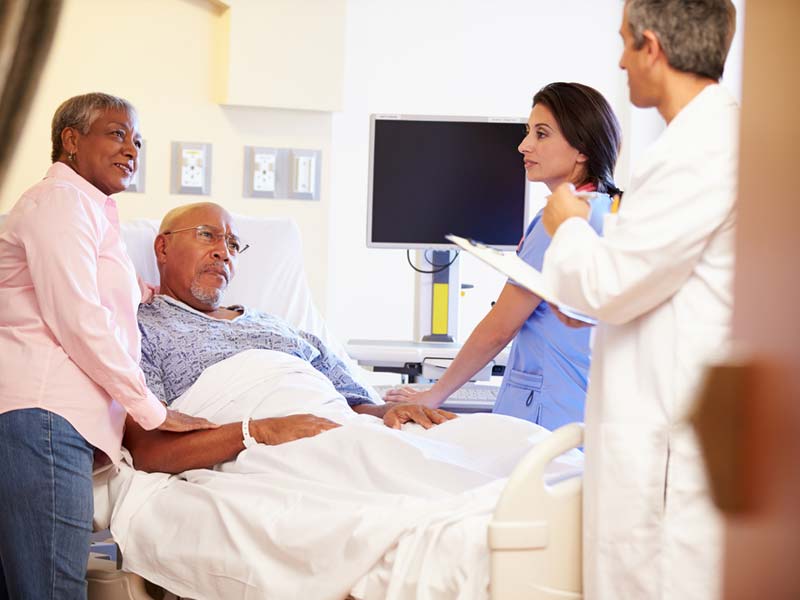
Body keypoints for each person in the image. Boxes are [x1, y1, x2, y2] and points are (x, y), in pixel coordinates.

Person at [540, 1, 738, 598]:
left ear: (651, 46)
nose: (621, 61)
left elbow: (609, 284)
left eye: (626, 43)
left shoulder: (699, 152)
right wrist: (586, 296)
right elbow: (633, 286)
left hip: (666, 439)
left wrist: (567, 225)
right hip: (656, 415)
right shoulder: (696, 145)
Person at [0, 93, 215, 599]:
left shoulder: (91, 212)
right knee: (52, 590)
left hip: (52, 421)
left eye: (137, 140)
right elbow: (76, 315)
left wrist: (164, 293)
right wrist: (150, 409)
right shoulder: (59, 202)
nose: (132, 149)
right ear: (71, 141)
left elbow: (108, 289)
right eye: (117, 134)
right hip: (45, 415)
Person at [125, 202, 457, 473]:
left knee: (465, 454)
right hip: (263, 451)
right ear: (163, 247)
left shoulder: (281, 327)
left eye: (233, 244)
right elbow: (149, 452)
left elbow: (353, 406)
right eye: (207, 235)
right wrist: (261, 430)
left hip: (336, 432)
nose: (223, 252)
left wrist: (387, 412)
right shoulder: (141, 328)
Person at [385, 82, 622, 431]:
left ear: (582, 149)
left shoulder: (559, 223)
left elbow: (500, 328)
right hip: (579, 412)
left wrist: (432, 395)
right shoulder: (606, 211)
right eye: (528, 132)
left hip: (546, 418)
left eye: (541, 134)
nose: (524, 145)